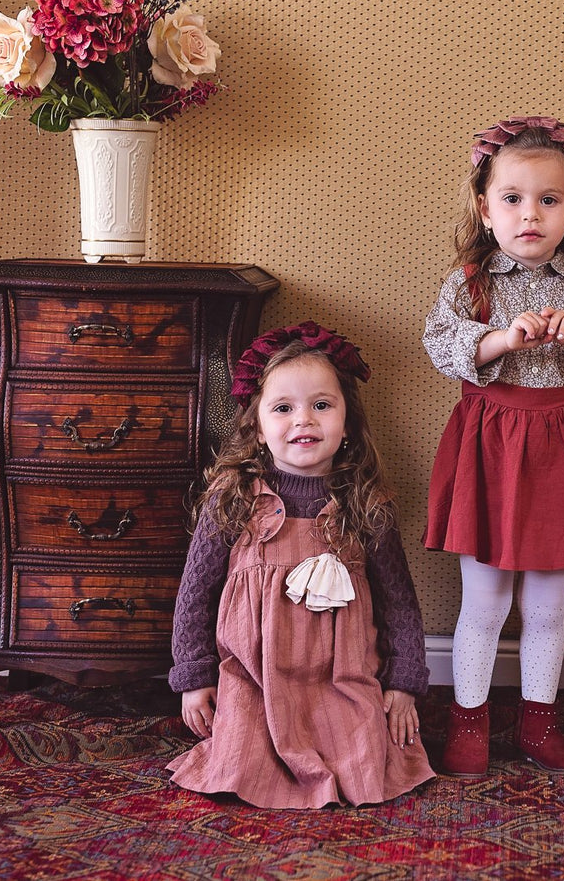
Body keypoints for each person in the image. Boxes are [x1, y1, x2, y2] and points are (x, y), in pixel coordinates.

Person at [423, 116, 564, 777]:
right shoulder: (471, 283)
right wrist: (501, 338)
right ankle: (468, 723)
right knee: (485, 602)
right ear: (485, 207)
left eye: (549, 200)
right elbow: (441, 344)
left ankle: (539, 724)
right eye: (512, 198)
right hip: (488, 448)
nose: (530, 214)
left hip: (560, 452)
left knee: (546, 605)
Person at [167, 321, 435, 808]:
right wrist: (194, 677)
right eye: (283, 408)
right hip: (254, 680)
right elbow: (195, 594)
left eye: (322, 405)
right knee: (240, 757)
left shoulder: (365, 504)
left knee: (366, 758)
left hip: (341, 679)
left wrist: (403, 684)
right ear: (257, 426)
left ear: (348, 421)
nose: (303, 420)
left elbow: (399, 601)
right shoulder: (232, 500)